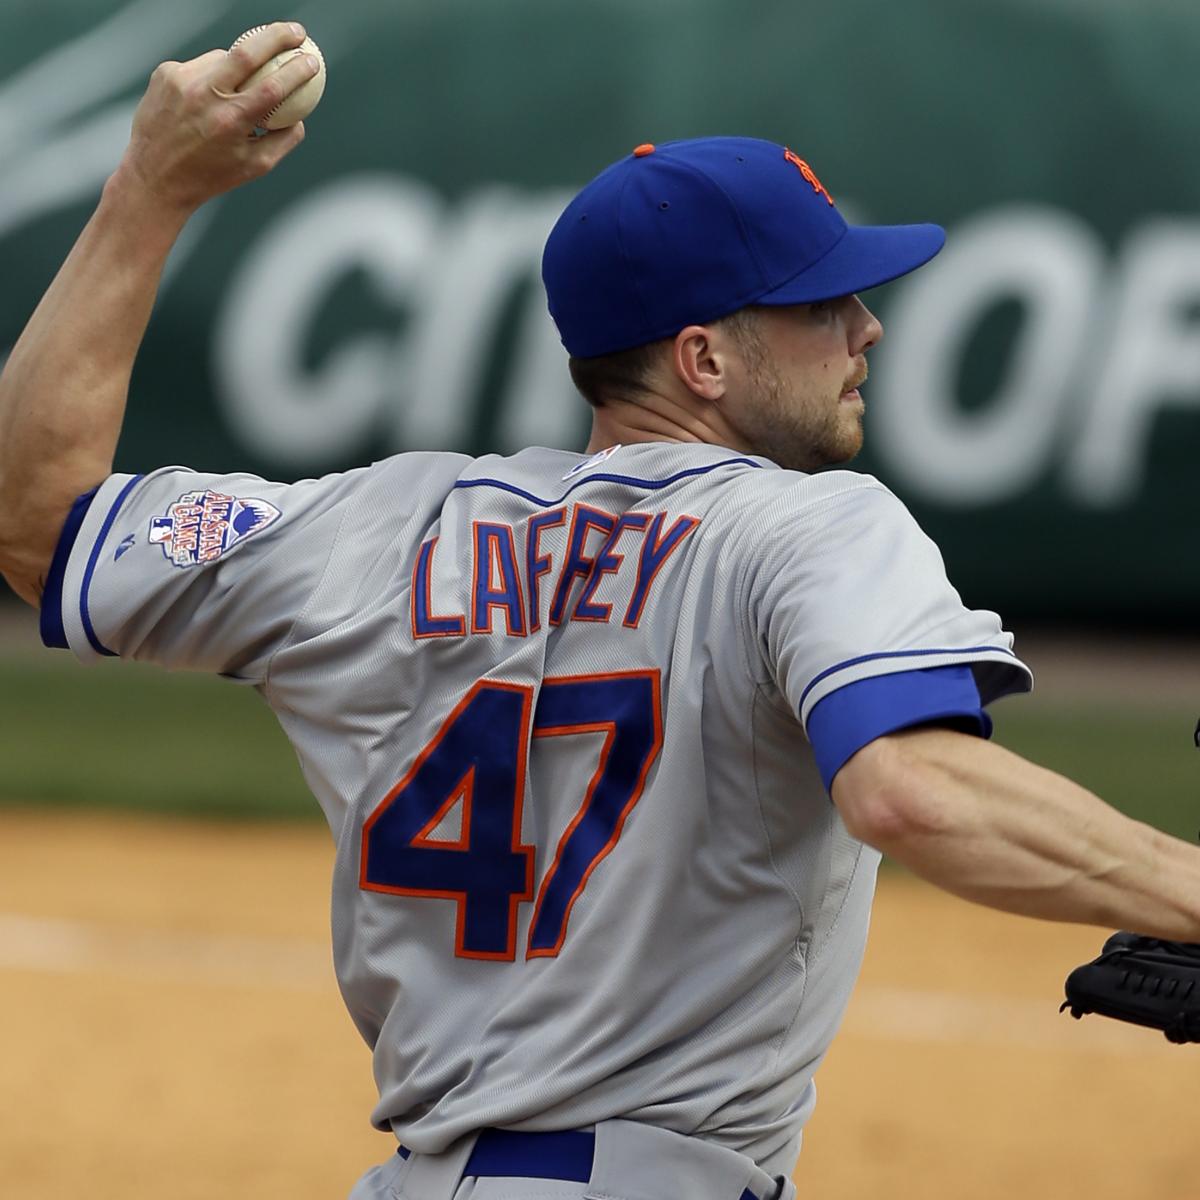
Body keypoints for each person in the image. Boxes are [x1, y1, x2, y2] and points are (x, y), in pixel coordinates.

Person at [1, 22, 1198, 1200]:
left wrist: (149, 189)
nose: (866, 328)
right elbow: (910, 789)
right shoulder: (805, 526)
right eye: (822, 302)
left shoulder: (384, 529)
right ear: (704, 361)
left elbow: (36, 520)